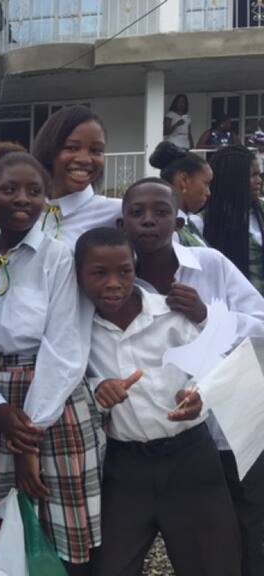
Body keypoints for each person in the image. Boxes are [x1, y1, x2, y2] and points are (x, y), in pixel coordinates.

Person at [76, 227, 241, 576]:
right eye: (99, 273)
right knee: (112, 565)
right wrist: (98, 389)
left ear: (135, 268)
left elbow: (216, 364)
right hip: (125, 466)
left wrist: (199, 393)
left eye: (124, 271)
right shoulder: (77, 329)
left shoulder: (171, 315)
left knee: (211, 562)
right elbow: (68, 378)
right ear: (79, 276)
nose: (113, 283)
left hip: (190, 458)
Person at [120, 177, 264, 576]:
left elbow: (261, 323)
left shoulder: (210, 264)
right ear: (122, 222)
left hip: (230, 423)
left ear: (179, 222)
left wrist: (207, 315)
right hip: (167, 435)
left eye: (161, 212)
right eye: (137, 213)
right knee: (206, 540)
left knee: (250, 523)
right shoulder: (118, 278)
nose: (149, 220)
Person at [0, 143, 98, 575]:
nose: (22, 199)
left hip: (51, 405)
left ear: (46, 198)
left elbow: (65, 346)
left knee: (61, 533)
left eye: (34, 191)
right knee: (6, 535)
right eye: (9, 189)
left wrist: (29, 435)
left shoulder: (59, 256)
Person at [31, 105, 121, 248]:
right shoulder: (29, 213)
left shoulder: (118, 213)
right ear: (49, 150)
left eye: (96, 150)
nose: (84, 159)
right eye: (72, 148)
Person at [205, 145, 264, 294]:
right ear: (232, 179)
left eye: (259, 175)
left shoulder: (261, 210)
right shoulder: (203, 222)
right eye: (253, 175)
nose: (259, 181)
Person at [149, 141, 212, 246]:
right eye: (206, 184)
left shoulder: (189, 224)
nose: (208, 193)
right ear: (184, 180)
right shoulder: (170, 231)